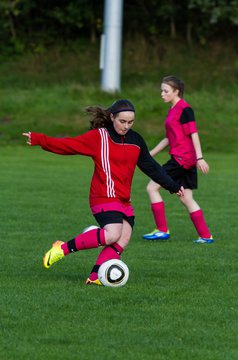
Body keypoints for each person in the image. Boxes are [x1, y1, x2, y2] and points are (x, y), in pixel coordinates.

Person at [23, 99, 184, 286]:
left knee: (123, 237)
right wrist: (39, 139)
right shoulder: (99, 137)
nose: (126, 126)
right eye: (122, 121)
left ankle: (95, 277)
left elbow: (152, 167)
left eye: (130, 122)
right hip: (102, 195)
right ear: (112, 117)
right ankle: (62, 248)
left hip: (124, 199)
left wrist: (172, 186)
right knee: (113, 234)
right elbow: (69, 145)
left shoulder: (136, 140)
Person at [142, 76, 214, 244]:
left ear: (176, 91)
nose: (162, 94)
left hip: (182, 159)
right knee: (186, 198)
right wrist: (150, 153)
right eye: (161, 90)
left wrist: (200, 158)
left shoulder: (185, 109)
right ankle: (205, 236)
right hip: (183, 159)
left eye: (166, 91)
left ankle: (161, 231)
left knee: (152, 187)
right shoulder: (173, 110)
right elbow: (169, 138)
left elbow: (193, 134)